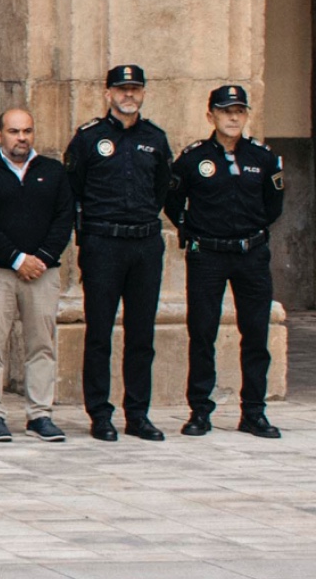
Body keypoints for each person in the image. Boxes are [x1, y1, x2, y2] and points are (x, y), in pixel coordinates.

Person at [165, 85, 287, 439]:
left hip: (251, 255)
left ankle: (254, 412)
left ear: (247, 115)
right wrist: (191, 230)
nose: (233, 117)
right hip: (208, 255)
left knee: (255, 333)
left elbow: (274, 205)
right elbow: (172, 201)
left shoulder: (264, 158)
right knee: (202, 332)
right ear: (211, 116)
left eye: (239, 111)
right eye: (225, 111)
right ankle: (200, 411)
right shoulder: (192, 158)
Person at [65, 65, 173, 441]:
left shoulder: (155, 138)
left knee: (141, 334)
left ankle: (138, 414)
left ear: (143, 93)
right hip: (103, 245)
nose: (129, 95)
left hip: (144, 244)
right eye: (122, 88)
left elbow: (163, 190)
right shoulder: (88, 138)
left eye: (135, 89)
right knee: (99, 333)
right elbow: (73, 190)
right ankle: (100, 413)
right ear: (107, 93)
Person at [0, 107, 75, 442]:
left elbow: (64, 218)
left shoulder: (53, 171)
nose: (21, 138)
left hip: (42, 272)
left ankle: (40, 414)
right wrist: (16, 259)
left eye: (27, 131)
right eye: (14, 131)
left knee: (41, 344)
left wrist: (40, 258)